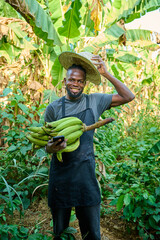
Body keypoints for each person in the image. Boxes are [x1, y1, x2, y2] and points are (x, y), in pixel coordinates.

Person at [44, 52, 135, 240]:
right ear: (65, 81)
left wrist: (107, 74)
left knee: (92, 233)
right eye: (72, 80)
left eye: (80, 81)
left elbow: (128, 96)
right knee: (60, 232)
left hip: (86, 175)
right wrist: (51, 148)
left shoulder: (95, 101)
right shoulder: (53, 108)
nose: (75, 84)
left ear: (84, 83)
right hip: (61, 178)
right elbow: (46, 143)